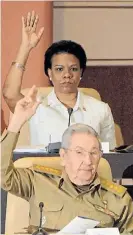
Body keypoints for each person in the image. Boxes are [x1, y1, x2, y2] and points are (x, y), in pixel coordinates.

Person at [1, 86, 133, 234]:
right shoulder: (38, 181)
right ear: (64, 156)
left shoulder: (118, 199)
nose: (87, 160)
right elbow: (3, 176)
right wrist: (16, 123)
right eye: (79, 152)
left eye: (94, 153)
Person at [2, 11, 116, 148]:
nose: (67, 75)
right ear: (49, 73)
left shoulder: (100, 110)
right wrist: (25, 48)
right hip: (45, 169)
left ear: (81, 72)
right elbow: (9, 94)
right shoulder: (36, 106)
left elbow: (110, 159)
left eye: (73, 69)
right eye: (59, 69)